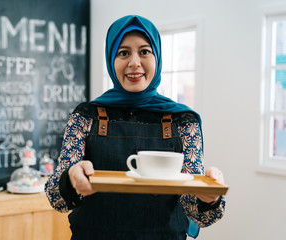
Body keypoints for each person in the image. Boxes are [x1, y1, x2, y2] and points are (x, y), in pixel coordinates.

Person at [45, 15, 226, 240]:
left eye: (144, 51)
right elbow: (56, 198)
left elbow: (199, 215)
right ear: (111, 59)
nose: (134, 62)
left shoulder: (183, 121)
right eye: (123, 53)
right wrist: (71, 178)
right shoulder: (85, 116)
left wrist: (209, 197)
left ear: (157, 57)